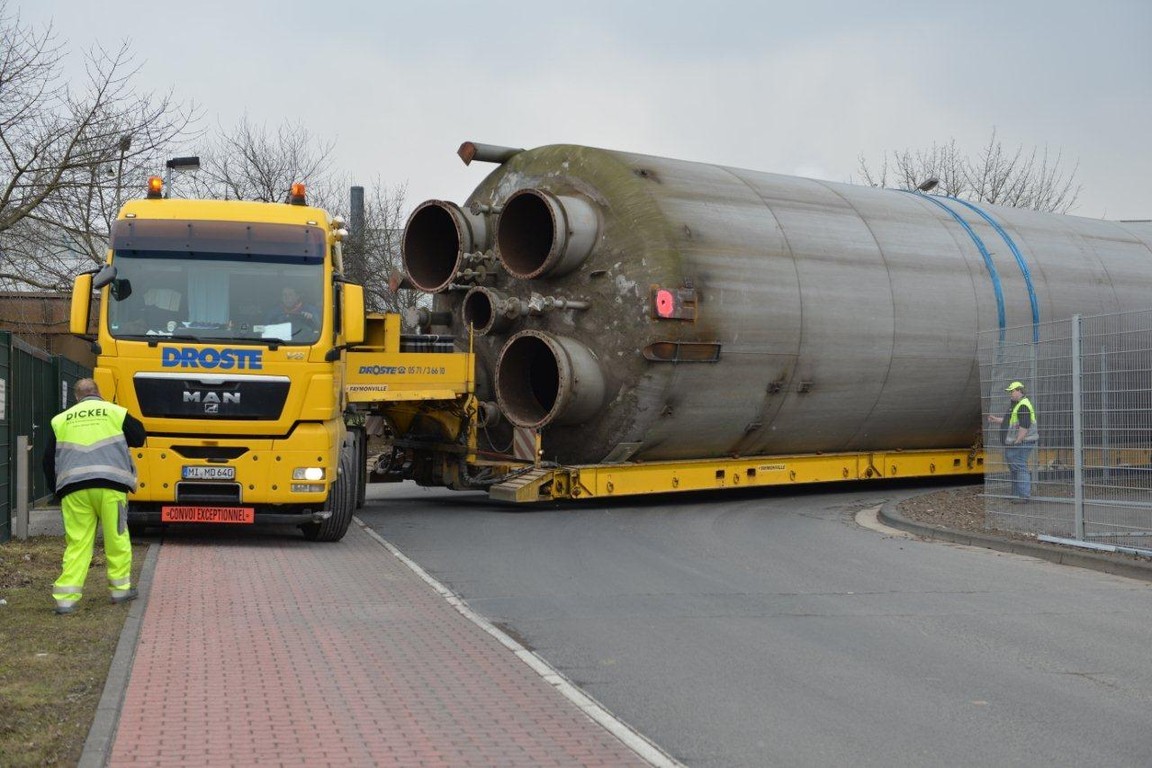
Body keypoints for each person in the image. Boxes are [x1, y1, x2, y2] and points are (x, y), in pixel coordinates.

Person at [43, 379, 146, 615]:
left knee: (77, 543)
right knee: (116, 537)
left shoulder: (61, 420)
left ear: (76, 397)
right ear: (99, 393)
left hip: (74, 490)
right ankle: (120, 590)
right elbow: (139, 436)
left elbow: (48, 460)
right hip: (111, 487)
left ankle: (65, 599)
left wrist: (57, 491)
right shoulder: (115, 412)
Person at [988, 381, 1039, 503]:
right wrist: (996, 420)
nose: (1010, 393)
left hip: (1022, 442)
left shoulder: (1023, 405)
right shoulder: (1017, 405)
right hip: (1017, 442)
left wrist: (1018, 441)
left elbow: (1024, 426)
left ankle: (1023, 496)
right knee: (1016, 468)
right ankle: (1017, 495)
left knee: (1019, 467)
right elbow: (1010, 421)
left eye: (1012, 391)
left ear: (1019, 391)